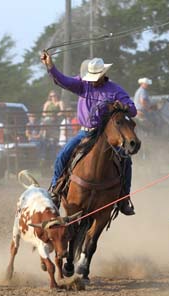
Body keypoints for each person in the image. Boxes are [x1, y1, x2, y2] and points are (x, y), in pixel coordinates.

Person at [41, 51, 137, 215]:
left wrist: (124, 106)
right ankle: (55, 190)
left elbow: (132, 109)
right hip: (85, 132)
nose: (92, 80)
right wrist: (50, 66)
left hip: (106, 135)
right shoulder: (82, 83)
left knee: (125, 160)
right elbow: (63, 81)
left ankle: (123, 198)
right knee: (62, 155)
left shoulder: (114, 90)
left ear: (103, 75)